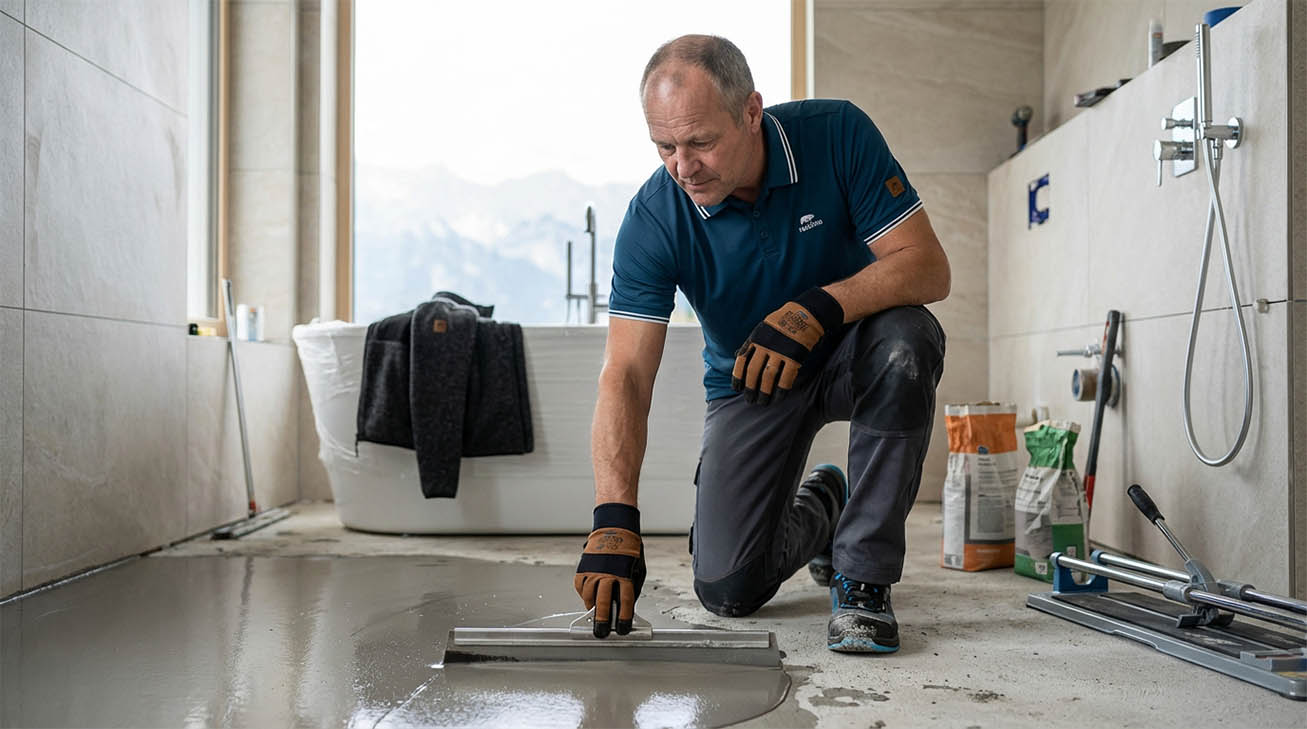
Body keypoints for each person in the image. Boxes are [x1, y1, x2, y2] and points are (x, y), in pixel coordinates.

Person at [573, 34, 950, 653]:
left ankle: (862, 577)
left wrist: (820, 307)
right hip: (751, 381)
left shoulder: (836, 134)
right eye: (664, 146)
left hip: (857, 351)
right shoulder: (654, 217)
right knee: (728, 588)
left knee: (908, 341)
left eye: (700, 142)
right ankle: (827, 505)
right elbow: (626, 374)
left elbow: (928, 268)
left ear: (752, 113)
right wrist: (614, 518)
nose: (682, 167)